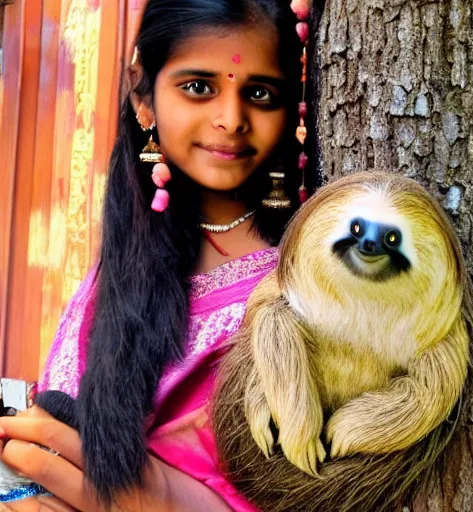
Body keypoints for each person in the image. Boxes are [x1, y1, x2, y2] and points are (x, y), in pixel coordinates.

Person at [0, 0, 310, 510]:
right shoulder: (124, 263)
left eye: (259, 93)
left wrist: (158, 496)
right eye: (199, 87)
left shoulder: (310, 270)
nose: (231, 120)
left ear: (293, 105)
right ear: (144, 96)